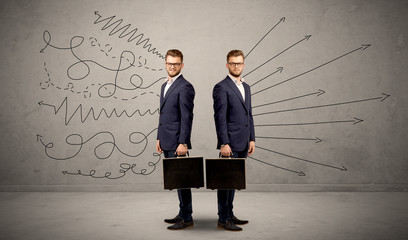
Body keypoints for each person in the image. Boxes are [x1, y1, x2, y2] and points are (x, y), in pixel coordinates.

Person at [212, 49, 255, 231]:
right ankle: (223, 219)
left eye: (239, 63)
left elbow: (249, 115)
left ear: (243, 65)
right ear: (227, 65)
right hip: (229, 143)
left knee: (234, 182)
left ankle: (230, 214)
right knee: (225, 182)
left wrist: (252, 138)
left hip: (244, 142)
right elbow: (219, 117)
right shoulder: (221, 87)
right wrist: (224, 143)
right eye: (233, 63)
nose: (236, 66)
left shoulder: (246, 87)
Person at [156, 49, 195, 230]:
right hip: (166, 139)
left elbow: (187, 117)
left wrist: (183, 142)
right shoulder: (165, 85)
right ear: (165, 63)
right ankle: (182, 213)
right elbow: (163, 114)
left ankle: (186, 218)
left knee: (182, 180)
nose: (172, 66)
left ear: (182, 65)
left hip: (177, 142)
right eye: (169, 63)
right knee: (176, 180)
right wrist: (159, 137)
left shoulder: (185, 87)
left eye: (176, 64)